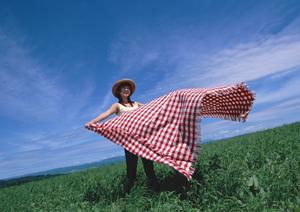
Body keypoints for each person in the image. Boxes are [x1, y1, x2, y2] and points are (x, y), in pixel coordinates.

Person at [85, 79, 158, 193]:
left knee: (149, 169)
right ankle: (127, 195)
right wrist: (92, 122)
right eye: (123, 88)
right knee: (131, 173)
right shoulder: (117, 106)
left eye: (128, 88)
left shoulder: (136, 104)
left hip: (143, 139)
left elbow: (152, 109)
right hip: (129, 142)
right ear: (119, 91)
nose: (126, 89)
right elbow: (106, 114)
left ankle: (155, 190)